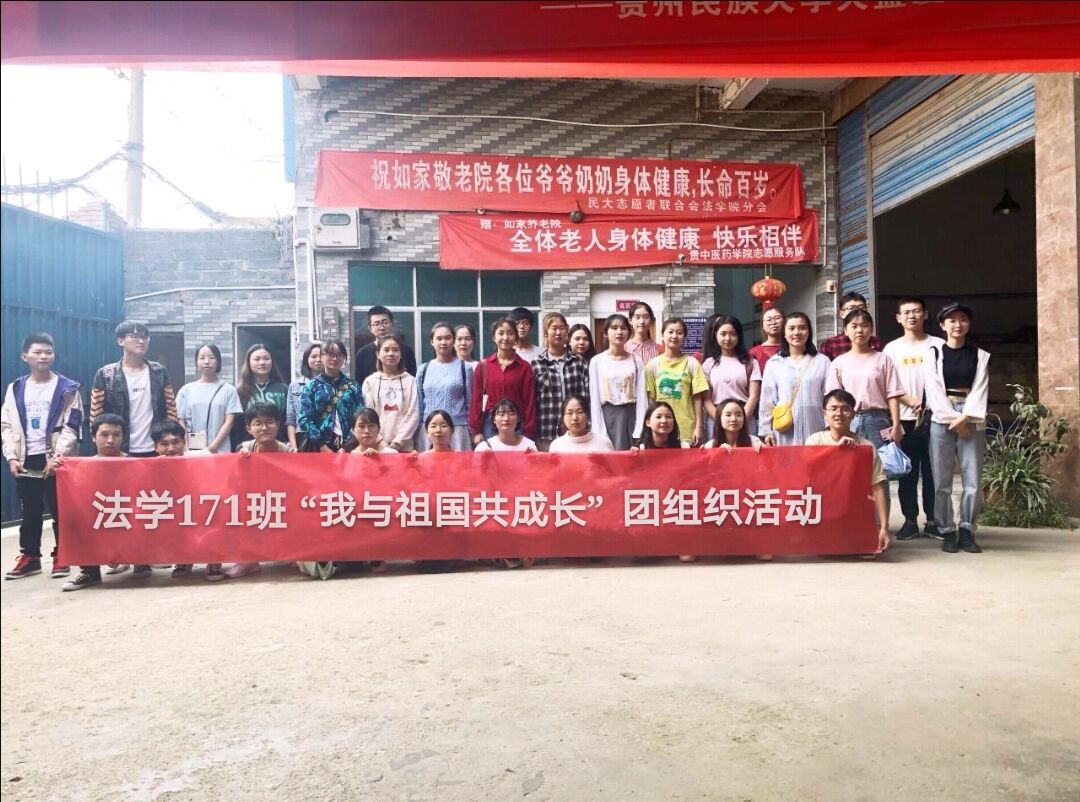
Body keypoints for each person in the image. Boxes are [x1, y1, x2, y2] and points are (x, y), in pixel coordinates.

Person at [2, 332, 83, 580]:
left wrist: (58, 456)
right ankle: (30, 557)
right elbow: (6, 425)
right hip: (26, 459)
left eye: (48, 352)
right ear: (25, 356)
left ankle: (62, 556)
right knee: (30, 511)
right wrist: (11, 457)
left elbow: (73, 425)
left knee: (61, 510)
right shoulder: (16, 388)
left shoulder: (68, 388)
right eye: (37, 352)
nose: (43, 356)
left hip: (57, 459)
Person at [924, 302, 991, 554]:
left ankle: (966, 530)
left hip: (971, 416)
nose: (957, 324)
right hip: (942, 417)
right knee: (941, 479)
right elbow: (933, 390)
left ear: (968, 324)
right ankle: (946, 530)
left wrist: (966, 418)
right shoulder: (933, 354)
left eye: (963, 319)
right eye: (951, 320)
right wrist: (955, 419)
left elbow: (980, 389)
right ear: (942, 325)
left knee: (972, 478)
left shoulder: (980, 355)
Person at [883, 297, 946, 540]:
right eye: (906, 312)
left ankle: (932, 520)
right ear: (898, 318)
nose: (912, 316)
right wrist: (905, 408)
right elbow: (888, 386)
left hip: (935, 418)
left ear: (925, 315)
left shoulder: (939, 345)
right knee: (906, 473)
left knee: (933, 472)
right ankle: (910, 520)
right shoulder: (892, 349)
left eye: (917, 311)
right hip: (905, 419)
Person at [805, 389, 891, 555]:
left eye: (845, 409)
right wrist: (836, 450)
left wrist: (884, 528)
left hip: (853, 509)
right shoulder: (815, 440)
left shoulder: (865, 447)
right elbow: (806, 473)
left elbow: (878, 487)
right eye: (834, 409)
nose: (839, 413)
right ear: (824, 414)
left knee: (868, 548)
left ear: (853, 414)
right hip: (822, 509)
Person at [226, 403, 297, 580]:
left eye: (269, 422)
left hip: (282, 501)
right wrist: (240, 463)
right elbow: (232, 482)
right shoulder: (243, 449)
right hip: (254, 501)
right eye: (258, 423)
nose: (264, 428)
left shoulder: (289, 452)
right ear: (249, 428)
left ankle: (293, 552)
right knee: (236, 508)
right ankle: (248, 561)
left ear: (277, 424)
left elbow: (297, 486)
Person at [59, 414, 129, 591]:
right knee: (74, 518)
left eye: (116, 435)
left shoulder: (135, 463)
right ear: (93, 437)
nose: (110, 440)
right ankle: (90, 572)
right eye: (104, 434)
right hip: (99, 517)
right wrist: (56, 470)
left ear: (123, 437)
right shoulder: (81, 467)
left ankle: (141, 562)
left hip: (128, 517)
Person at [90, 320, 177, 457]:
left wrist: (170, 442)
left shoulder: (159, 372)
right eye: (135, 337)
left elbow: (171, 410)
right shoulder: (106, 374)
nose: (141, 341)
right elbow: (96, 417)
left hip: (155, 448)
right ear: (120, 341)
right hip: (119, 449)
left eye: (145, 337)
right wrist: (99, 449)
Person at [150, 420, 220, 580]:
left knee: (215, 508)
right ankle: (183, 558)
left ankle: (214, 558)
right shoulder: (151, 467)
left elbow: (216, 487)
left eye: (175, 442)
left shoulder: (203, 457)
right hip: (174, 509)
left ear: (184, 442)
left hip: (203, 505)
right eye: (164, 444)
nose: (171, 448)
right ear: (155, 447)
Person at [759, 313, 831, 447]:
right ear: (784, 333)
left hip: (815, 426)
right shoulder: (774, 363)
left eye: (802, 328)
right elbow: (767, 400)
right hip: (785, 428)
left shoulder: (822, 361)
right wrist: (766, 431)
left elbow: (829, 396)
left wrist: (830, 426)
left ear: (809, 332)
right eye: (791, 328)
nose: (797, 332)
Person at [469, 318, 537, 443]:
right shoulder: (483, 366)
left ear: (516, 337)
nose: (505, 337)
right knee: (491, 455)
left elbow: (529, 402)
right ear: (493, 337)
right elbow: (476, 400)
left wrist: (528, 431)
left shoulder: (524, 367)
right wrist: (476, 430)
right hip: (491, 423)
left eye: (510, 333)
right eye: (501, 333)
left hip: (517, 424)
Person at [644, 318, 709, 447]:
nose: (674, 336)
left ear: (684, 337)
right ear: (662, 335)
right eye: (670, 332)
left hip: (687, 428)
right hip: (661, 429)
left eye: (679, 333)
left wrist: (699, 426)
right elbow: (651, 400)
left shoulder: (692, 363)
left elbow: (698, 398)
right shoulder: (652, 365)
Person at [589, 314, 646, 451]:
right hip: (608, 417)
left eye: (623, 328)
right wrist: (599, 431)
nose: (619, 332)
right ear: (605, 333)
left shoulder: (636, 361)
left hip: (631, 417)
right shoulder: (597, 361)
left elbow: (642, 397)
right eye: (614, 328)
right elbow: (595, 397)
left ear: (629, 333)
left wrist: (639, 429)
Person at [532, 313, 589, 451]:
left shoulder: (579, 362)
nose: (558, 332)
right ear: (546, 333)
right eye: (554, 328)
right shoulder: (536, 364)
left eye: (562, 328)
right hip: (546, 433)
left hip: (576, 434)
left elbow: (587, 397)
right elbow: (533, 401)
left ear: (567, 331)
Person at [297, 339, 364, 453]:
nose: (334, 358)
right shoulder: (311, 386)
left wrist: (346, 446)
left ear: (344, 358)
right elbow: (304, 418)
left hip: (349, 446)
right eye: (330, 354)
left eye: (339, 355)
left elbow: (359, 417)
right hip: (318, 447)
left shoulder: (353, 386)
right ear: (322, 357)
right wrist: (322, 446)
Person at [701, 315, 761, 440]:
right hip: (716, 420)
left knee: (746, 451)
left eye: (733, 334)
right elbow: (706, 399)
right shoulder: (708, 364)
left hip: (745, 419)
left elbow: (754, 395)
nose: (728, 338)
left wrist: (741, 419)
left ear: (739, 336)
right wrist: (722, 421)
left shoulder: (750, 362)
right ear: (716, 335)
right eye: (723, 334)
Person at [175, 343, 242, 454]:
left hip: (220, 450)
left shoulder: (229, 390)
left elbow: (229, 422)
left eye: (211, 357)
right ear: (196, 362)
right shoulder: (186, 390)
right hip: (191, 451)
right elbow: (180, 421)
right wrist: (185, 447)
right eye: (202, 358)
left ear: (218, 361)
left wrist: (212, 447)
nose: (206, 361)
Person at [416, 323, 472, 452]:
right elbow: (419, 406)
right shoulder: (423, 369)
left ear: (454, 340)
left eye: (447, 338)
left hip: (457, 430)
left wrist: (472, 431)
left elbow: (470, 403)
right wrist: (419, 431)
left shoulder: (465, 368)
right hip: (430, 431)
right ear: (432, 341)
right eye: (439, 338)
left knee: (458, 464)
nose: (443, 342)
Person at [361, 333, 419, 452]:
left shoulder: (410, 381)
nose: (391, 354)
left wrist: (398, 441)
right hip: (376, 446)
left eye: (395, 350)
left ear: (401, 354)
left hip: (405, 446)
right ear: (378, 354)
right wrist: (380, 441)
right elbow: (368, 414)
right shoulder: (370, 382)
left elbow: (414, 413)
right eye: (386, 350)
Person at [231, 343, 289, 450]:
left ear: (272, 361)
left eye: (266, 358)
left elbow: (288, 420)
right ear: (248, 362)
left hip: (279, 447)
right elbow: (236, 425)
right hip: (248, 449)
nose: (262, 362)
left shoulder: (283, 389)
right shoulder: (239, 391)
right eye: (257, 359)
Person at [354, 306, 417, 384]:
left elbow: (412, 379)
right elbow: (359, 383)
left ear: (392, 324)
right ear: (370, 329)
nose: (382, 328)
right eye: (377, 324)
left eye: (385, 322)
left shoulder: (406, 350)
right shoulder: (363, 353)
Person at [818, 292, 883, 359]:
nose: (857, 311)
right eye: (851, 308)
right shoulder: (830, 344)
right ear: (842, 313)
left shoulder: (875, 342)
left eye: (861, 308)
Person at [285, 343, 323, 451]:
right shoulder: (295, 386)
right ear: (307, 359)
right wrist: (294, 447)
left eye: (321, 356)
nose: (318, 360)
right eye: (313, 356)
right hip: (302, 437)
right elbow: (291, 419)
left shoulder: (332, 385)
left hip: (325, 437)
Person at [549, 394, 614, 453]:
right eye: (569, 413)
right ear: (563, 417)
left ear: (587, 415)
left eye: (579, 412)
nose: (574, 418)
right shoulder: (556, 446)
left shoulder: (603, 443)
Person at [748, 306, 785, 374]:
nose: (773, 322)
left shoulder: (793, 348)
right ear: (763, 326)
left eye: (777, 318)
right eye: (769, 320)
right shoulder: (753, 353)